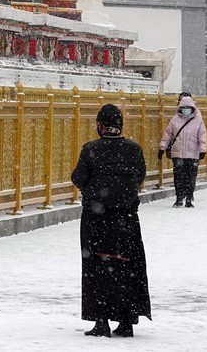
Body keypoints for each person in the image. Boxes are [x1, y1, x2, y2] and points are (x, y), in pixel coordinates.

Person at [71, 104, 151, 338]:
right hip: (126, 218)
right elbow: (140, 176)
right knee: (126, 266)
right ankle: (126, 320)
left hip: (97, 218)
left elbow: (78, 178)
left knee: (97, 268)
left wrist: (95, 191)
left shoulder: (91, 149)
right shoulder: (134, 150)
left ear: (99, 126)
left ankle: (101, 320)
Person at [157, 93, 207, 207]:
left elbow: (203, 136)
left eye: (188, 108)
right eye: (184, 108)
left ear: (192, 108)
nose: (186, 110)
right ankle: (179, 198)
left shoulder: (198, 121)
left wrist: (203, 150)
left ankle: (189, 198)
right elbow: (168, 134)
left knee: (190, 177)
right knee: (178, 177)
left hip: (192, 154)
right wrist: (162, 148)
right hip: (178, 153)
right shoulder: (175, 120)